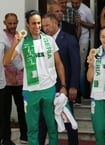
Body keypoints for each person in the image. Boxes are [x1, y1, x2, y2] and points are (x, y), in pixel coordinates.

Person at [3, 10, 67, 145]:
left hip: (49, 89)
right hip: (30, 91)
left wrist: (63, 86)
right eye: (34, 23)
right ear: (27, 24)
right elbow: (6, 61)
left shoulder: (49, 40)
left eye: (39, 23)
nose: (37, 26)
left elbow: (59, 63)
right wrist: (15, 42)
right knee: (32, 129)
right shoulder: (23, 42)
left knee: (52, 126)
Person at [41, 13, 80, 145]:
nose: (44, 28)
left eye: (47, 25)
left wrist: (73, 86)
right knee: (43, 120)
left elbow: (75, 64)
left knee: (69, 120)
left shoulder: (69, 39)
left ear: (56, 23)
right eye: (43, 26)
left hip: (64, 87)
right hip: (45, 87)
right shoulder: (41, 40)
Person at [0, 13, 27, 145]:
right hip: (6, 81)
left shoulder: (21, 36)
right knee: (5, 111)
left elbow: (21, 57)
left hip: (21, 80)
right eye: (9, 23)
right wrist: (8, 75)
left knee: (22, 109)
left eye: (14, 23)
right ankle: (6, 139)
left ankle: (24, 136)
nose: (12, 26)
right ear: (4, 23)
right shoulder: (2, 37)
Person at [70, 0, 95, 103]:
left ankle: (81, 95)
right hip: (71, 40)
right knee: (72, 65)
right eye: (73, 3)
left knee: (80, 68)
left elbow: (93, 25)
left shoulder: (86, 10)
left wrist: (81, 22)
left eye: (77, 3)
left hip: (83, 41)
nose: (74, 5)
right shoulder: (67, 7)